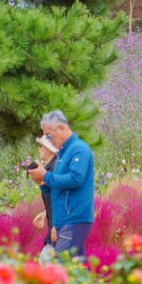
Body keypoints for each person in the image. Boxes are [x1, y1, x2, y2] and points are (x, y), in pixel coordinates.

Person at [27, 110, 94, 258]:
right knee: (74, 269)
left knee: (61, 269)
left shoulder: (79, 149)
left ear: (62, 128)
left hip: (75, 219)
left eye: (49, 135)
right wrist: (42, 182)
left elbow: (76, 178)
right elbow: (58, 190)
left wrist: (45, 175)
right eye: (45, 137)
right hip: (65, 222)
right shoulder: (62, 155)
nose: (48, 141)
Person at [32, 134, 59, 263]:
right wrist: (45, 213)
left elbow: (66, 199)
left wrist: (57, 226)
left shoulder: (56, 169)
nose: (39, 148)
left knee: (46, 261)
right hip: (55, 227)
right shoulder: (49, 169)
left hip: (61, 229)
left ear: (50, 148)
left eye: (41, 145)